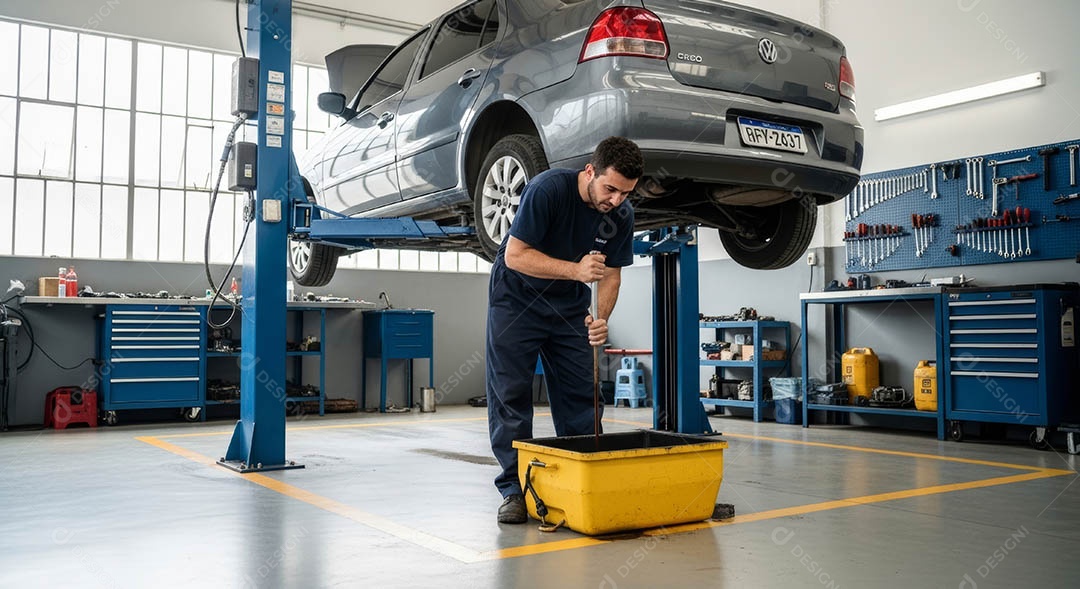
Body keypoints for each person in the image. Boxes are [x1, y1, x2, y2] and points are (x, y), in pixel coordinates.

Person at [485, 136, 644, 524]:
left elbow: (611, 276)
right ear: (590, 171)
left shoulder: (621, 216)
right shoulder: (548, 190)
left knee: (583, 396)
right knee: (511, 395)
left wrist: (600, 318)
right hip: (517, 300)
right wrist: (575, 271)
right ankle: (514, 491)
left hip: (569, 308)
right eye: (610, 189)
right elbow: (515, 255)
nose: (616, 201)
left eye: (625, 193)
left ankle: (583, 479)